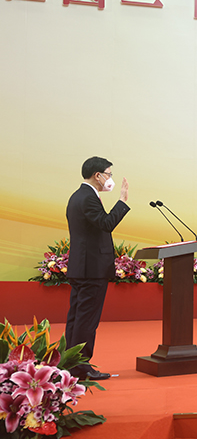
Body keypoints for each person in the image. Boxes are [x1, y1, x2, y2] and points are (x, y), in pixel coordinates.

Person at [65, 157, 130, 380]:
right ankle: (81, 367)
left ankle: (71, 363)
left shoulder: (78, 196)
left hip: (82, 267)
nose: (110, 179)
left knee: (77, 318)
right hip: (91, 269)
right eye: (109, 174)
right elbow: (106, 223)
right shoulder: (88, 198)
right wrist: (122, 201)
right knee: (86, 320)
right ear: (97, 175)